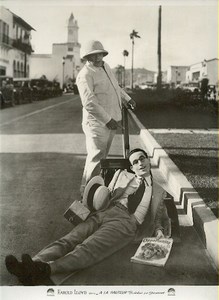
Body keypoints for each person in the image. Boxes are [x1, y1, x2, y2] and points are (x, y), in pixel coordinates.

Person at [5, 148, 171, 286]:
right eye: (135, 162)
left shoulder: (158, 190)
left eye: (142, 159)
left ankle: (46, 269)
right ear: (132, 168)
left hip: (126, 223)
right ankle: (30, 265)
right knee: (69, 239)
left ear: (148, 160)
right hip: (104, 212)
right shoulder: (121, 175)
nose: (140, 163)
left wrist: (159, 231)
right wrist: (89, 200)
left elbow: (158, 217)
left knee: (88, 247)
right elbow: (103, 193)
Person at [76, 40, 136, 196]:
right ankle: (86, 194)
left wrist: (127, 99)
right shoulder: (85, 75)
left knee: (102, 158)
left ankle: (95, 191)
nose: (97, 59)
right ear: (86, 57)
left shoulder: (106, 67)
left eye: (99, 54)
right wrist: (107, 120)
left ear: (103, 54)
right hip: (97, 124)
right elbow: (89, 102)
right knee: (95, 158)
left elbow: (116, 87)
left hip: (112, 121)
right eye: (92, 56)